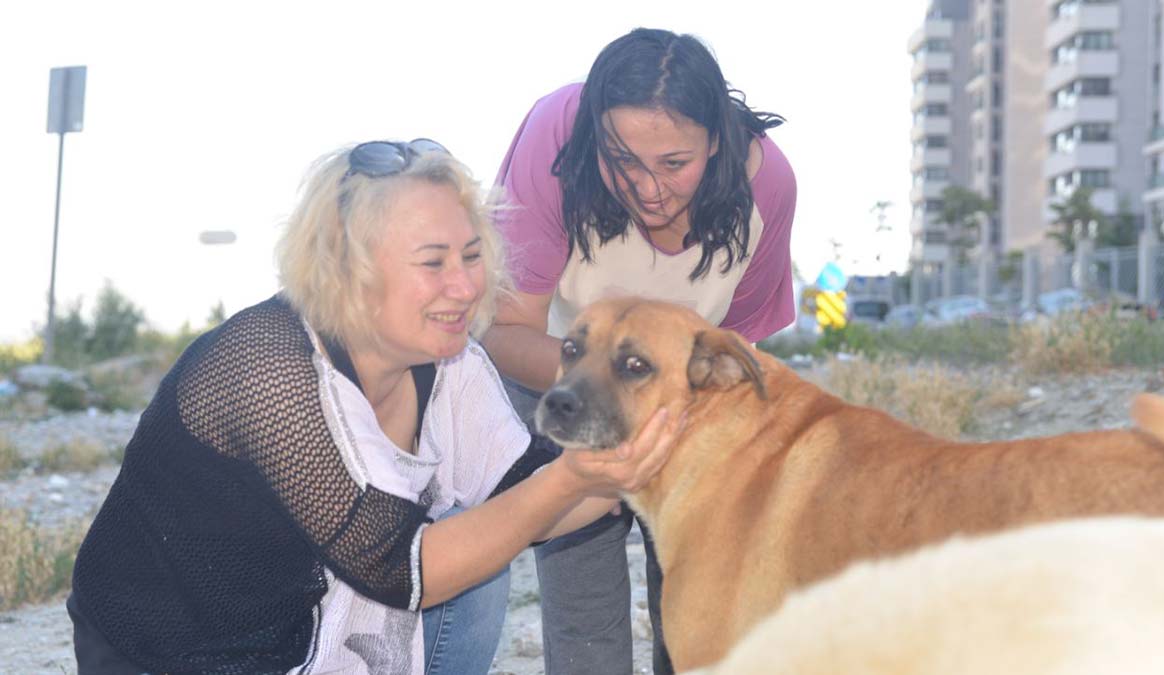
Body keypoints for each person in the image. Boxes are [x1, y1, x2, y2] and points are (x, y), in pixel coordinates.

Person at [66, 139, 682, 675]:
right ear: (349, 270)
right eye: (432, 262)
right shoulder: (268, 369)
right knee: (461, 550)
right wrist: (574, 477)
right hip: (182, 656)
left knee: (487, 543)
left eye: (471, 255)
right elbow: (402, 571)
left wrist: (642, 462)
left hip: (315, 624)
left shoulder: (449, 359)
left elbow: (526, 491)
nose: (466, 286)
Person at [483, 28, 798, 674]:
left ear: (716, 139)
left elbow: (740, 356)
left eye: (674, 163)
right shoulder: (556, 134)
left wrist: (669, 408)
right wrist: (607, 394)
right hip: (557, 375)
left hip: (686, 402)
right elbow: (504, 330)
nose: (648, 188)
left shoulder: (769, 187)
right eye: (622, 160)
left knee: (697, 602)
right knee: (585, 599)